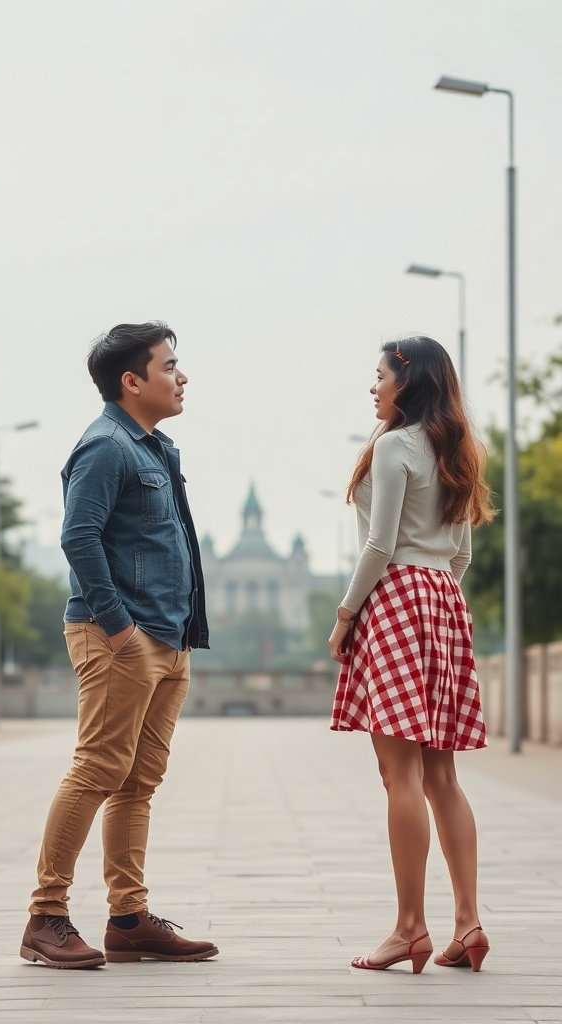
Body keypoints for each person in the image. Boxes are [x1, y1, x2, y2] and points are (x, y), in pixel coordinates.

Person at [20, 321, 218, 969]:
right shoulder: (105, 447)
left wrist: (178, 632)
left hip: (168, 634)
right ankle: (45, 918)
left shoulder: (157, 449)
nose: (181, 376)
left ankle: (128, 918)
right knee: (98, 769)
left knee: (138, 782)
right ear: (132, 381)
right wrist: (120, 627)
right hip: (121, 635)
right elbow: (79, 537)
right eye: (169, 366)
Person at [329, 336, 493, 975]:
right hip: (444, 602)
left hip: (396, 597)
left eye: (379, 377)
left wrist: (346, 617)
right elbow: (462, 556)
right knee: (442, 777)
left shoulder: (394, 445)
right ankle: (468, 924)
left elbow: (378, 545)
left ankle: (408, 929)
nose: (372, 388)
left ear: (408, 380)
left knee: (400, 775)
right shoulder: (457, 450)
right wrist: (436, 588)